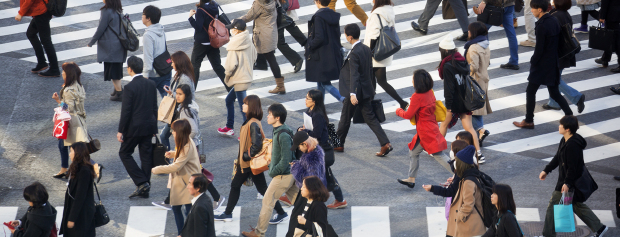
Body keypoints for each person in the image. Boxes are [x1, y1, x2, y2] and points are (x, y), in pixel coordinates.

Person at [215, 95, 288, 222]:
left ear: (251, 106)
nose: (242, 105)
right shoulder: (251, 121)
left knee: (235, 185)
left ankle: (227, 213)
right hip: (250, 163)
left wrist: (245, 156)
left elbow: (257, 144)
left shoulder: (253, 123)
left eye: (245, 103)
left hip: (248, 163)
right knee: (262, 188)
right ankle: (281, 212)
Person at [539, 115, 609, 237]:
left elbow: (573, 168)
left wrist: (567, 183)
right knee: (576, 205)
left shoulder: (573, 145)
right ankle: (600, 228)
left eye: (561, 125)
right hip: (568, 182)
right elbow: (557, 157)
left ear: (567, 129)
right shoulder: (565, 140)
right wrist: (547, 170)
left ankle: (547, 235)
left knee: (553, 204)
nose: (559, 126)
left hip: (570, 182)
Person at [241, 103, 299, 237]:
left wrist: (273, 171)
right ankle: (317, 224)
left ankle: (259, 233)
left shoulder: (283, 135)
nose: (267, 116)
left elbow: (286, 159)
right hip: (289, 174)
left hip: (283, 175)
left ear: (277, 118)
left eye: (270, 115)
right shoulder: (281, 129)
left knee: (267, 202)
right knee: (300, 202)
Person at [513, 0, 573, 129]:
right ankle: (570, 116)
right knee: (554, 92)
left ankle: (529, 120)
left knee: (531, 91)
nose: (532, 11)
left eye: (533, 9)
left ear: (539, 10)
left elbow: (539, 48)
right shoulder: (553, 20)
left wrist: (533, 61)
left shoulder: (541, 25)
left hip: (542, 64)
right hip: (553, 62)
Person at [335, 23, 392, 157]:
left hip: (355, 91)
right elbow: (367, 71)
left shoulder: (355, 53)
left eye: (345, 34)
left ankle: (338, 143)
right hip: (366, 90)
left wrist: (353, 93)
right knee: (370, 118)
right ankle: (385, 143)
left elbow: (355, 74)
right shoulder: (366, 48)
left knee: (345, 118)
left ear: (349, 37)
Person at [395, 69, 451, 189]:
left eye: (413, 78)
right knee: (413, 152)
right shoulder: (430, 92)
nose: (412, 80)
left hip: (426, 131)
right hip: (429, 127)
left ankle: (460, 173)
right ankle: (411, 178)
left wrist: (399, 111)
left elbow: (408, 115)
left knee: (439, 155)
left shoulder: (417, 97)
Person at [436, 35, 485, 162]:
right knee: (469, 128)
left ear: (445, 51)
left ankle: (437, 149)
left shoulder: (447, 65)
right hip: (465, 100)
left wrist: (450, 106)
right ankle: (479, 154)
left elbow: (449, 88)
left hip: (454, 102)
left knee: (444, 124)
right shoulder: (461, 60)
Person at [296, 89, 347, 209]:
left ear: (314, 101)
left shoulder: (318, 115)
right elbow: (308, 128)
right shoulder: (310, 111)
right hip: (316, 150)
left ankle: (309, 200)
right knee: (328, 176)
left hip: (322, 151)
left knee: (315, 176)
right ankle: (340, 199)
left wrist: (305, 132)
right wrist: (301, 129)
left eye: (308, 98)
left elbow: (317, 135)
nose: (305, 100)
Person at [52, 62, 102, 182]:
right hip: (79, 120)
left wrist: (58, 100)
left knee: (75, 149)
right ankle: (64, 169)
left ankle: (94, 165)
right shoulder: (79, 85)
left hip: (71, 122)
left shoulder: (69, 90)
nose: (62, 73)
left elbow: (68, 108)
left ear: (68, 74)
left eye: (64, 71)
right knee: (66, 146)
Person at [152, 119, 202, 236]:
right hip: (185, 181)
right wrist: (173, 153)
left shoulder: (186, 146)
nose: (172, 132)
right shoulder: (186, 142)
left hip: (187, 183)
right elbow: (183, 157)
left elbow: (176, 166)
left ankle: (184, 233)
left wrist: (157, 169)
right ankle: (184, 233)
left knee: (186, 210)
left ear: (179, 132)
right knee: (181, 208)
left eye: (173, 130)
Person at [118, 56, 158, 199]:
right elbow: (155, 107)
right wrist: (155, 129)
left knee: (124, 153)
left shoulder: (129, 87)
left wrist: (121, 130)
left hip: (133, 128)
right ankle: (145, 188)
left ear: (130, 69)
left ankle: (141, 182)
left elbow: (126, 111)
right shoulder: (151, 84)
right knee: (146, 156)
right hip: (149, 126)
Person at [364, 0, 408, 110]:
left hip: (375, 53)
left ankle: (369, 108)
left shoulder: (376, 14)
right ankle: (401, 102)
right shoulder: (389, 10)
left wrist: (369, 53)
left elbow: (373, 35)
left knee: (372, 81)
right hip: (385, 51)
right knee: (380, 81)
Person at [544, 0, 586, 113]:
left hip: (558, 53)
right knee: (554, 77)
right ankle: (553, 102)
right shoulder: (564, 14)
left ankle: (576, 97)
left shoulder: (556, 16)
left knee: (554, 79)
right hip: (564, 52)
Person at [218, 19, 257, 137]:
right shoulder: (248, 41)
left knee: (243, 108)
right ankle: (229, 127)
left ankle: (249, 133)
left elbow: (230, 66)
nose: (230, 30)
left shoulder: (234, 45)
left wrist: (227, 76)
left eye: (231, 29)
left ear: (235, 30)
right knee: (229, 100)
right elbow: (255, 56)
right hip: (246, 77)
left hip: (239, 79)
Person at [239, 0, 285, 94]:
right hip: (271, 32)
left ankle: (280, 86)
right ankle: (280, 85)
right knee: (271, 59)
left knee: (270, 60)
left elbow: (248, 17)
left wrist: (235, 21)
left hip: (262, 35)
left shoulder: (259, 4)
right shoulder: (273, 1)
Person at [88, 0, 128, 101]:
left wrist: (92, 41)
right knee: (116, 69)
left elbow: (101, 28)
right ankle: (117, 89)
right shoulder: (118, 10)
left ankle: (119, 93)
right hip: (119, 44)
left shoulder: (106, 11)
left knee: (113, 71)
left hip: (110, 46)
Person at [306, 0, 344, 102]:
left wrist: (310, 45)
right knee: (321, 81)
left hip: (321, 54)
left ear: (318, 2)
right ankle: (320, 105)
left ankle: (343, 99)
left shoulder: (318, 17)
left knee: (324, 83)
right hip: (332, 52)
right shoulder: (333, 15)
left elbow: (319, 37)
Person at [254, 0, 306, 74]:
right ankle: (308, 46)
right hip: (279, 14)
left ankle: (297, 59)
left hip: (275, 19)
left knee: (279, 42)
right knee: (292, 29)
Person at [160, 51, 198, 150]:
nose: (171, 64)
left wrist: (175, 95)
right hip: (178, 111)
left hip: (180, 112)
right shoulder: (179, 75)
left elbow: (186, 96)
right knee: (165, 136)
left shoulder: (184, 78)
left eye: (173, 62)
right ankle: (171, 160)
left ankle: (170, 160)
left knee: (166, 137)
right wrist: (172, 93)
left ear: (179, 62)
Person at [463, 22, 493, 146]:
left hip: (474, 80)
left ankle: (480, 130)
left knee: (469, 109)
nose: (468, 32)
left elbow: (473, 67)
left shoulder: (473, 47)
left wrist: (462, 69)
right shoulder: (485, 45)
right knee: (478, 108)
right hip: (483, 80)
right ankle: (479, 132)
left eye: (469, 31)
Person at [447, 145, 486, 237]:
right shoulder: (470, 175)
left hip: (467, 223)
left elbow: (468, 204)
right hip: (467, 222)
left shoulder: (468, 181)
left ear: (461, 163)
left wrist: (459, 217)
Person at [59, 142, 96, 237]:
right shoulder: (76, 168)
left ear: (78, 153)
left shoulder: (84, 171)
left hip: (81, 215)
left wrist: (72, 218)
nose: (70, 154)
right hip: (76, 212)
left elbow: (80, 196)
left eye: (71, 151)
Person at [188, 0, 227, 90]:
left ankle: (191, 92)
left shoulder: (201, 10)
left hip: (201, 43)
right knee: (217, 66)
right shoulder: (215, 6)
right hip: (214, 41)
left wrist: (190, 17)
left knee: (195, 66)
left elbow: (198, 27)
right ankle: (231, 89)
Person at [15, 0, 60, 77]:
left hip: (41, 11)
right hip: (41, 11)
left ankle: (54, 69)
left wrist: (20, 13)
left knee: (46, 40)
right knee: (31, 34)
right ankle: (42, 62)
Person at [477, 0, 519, 70]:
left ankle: (485, 59)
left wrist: (484, 1)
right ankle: (514, 61)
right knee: (511, 34)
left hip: (495, 5)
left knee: (482, 30)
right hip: (509, 4)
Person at [142, 5, 171, 98]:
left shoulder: (148, 35)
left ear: (148, 18)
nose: (141, 16)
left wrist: (145, 75)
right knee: (168, 102)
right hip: (165, 69)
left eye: (143, 14)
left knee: (148, 102)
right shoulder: (161, 30)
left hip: (154, 74)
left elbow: (148, 57)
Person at [595, 0, 620, 73]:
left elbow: (605, 3)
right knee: (611, 38)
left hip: (612, 15)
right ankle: (605, 58)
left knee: (615, 40)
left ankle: (605, 59)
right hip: (616, 13)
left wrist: (602, 16)